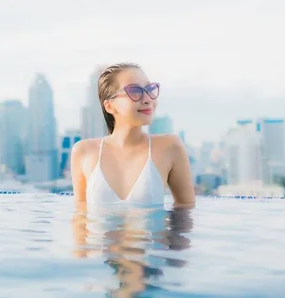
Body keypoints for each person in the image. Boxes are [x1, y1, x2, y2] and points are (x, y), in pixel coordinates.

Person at [71, 63, 195, 208]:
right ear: (110, 106)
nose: (148, 99)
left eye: (149, 89)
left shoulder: (170, 147)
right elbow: (80, 217)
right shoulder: (83, 151)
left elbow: (186, 210)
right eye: (135, 91)